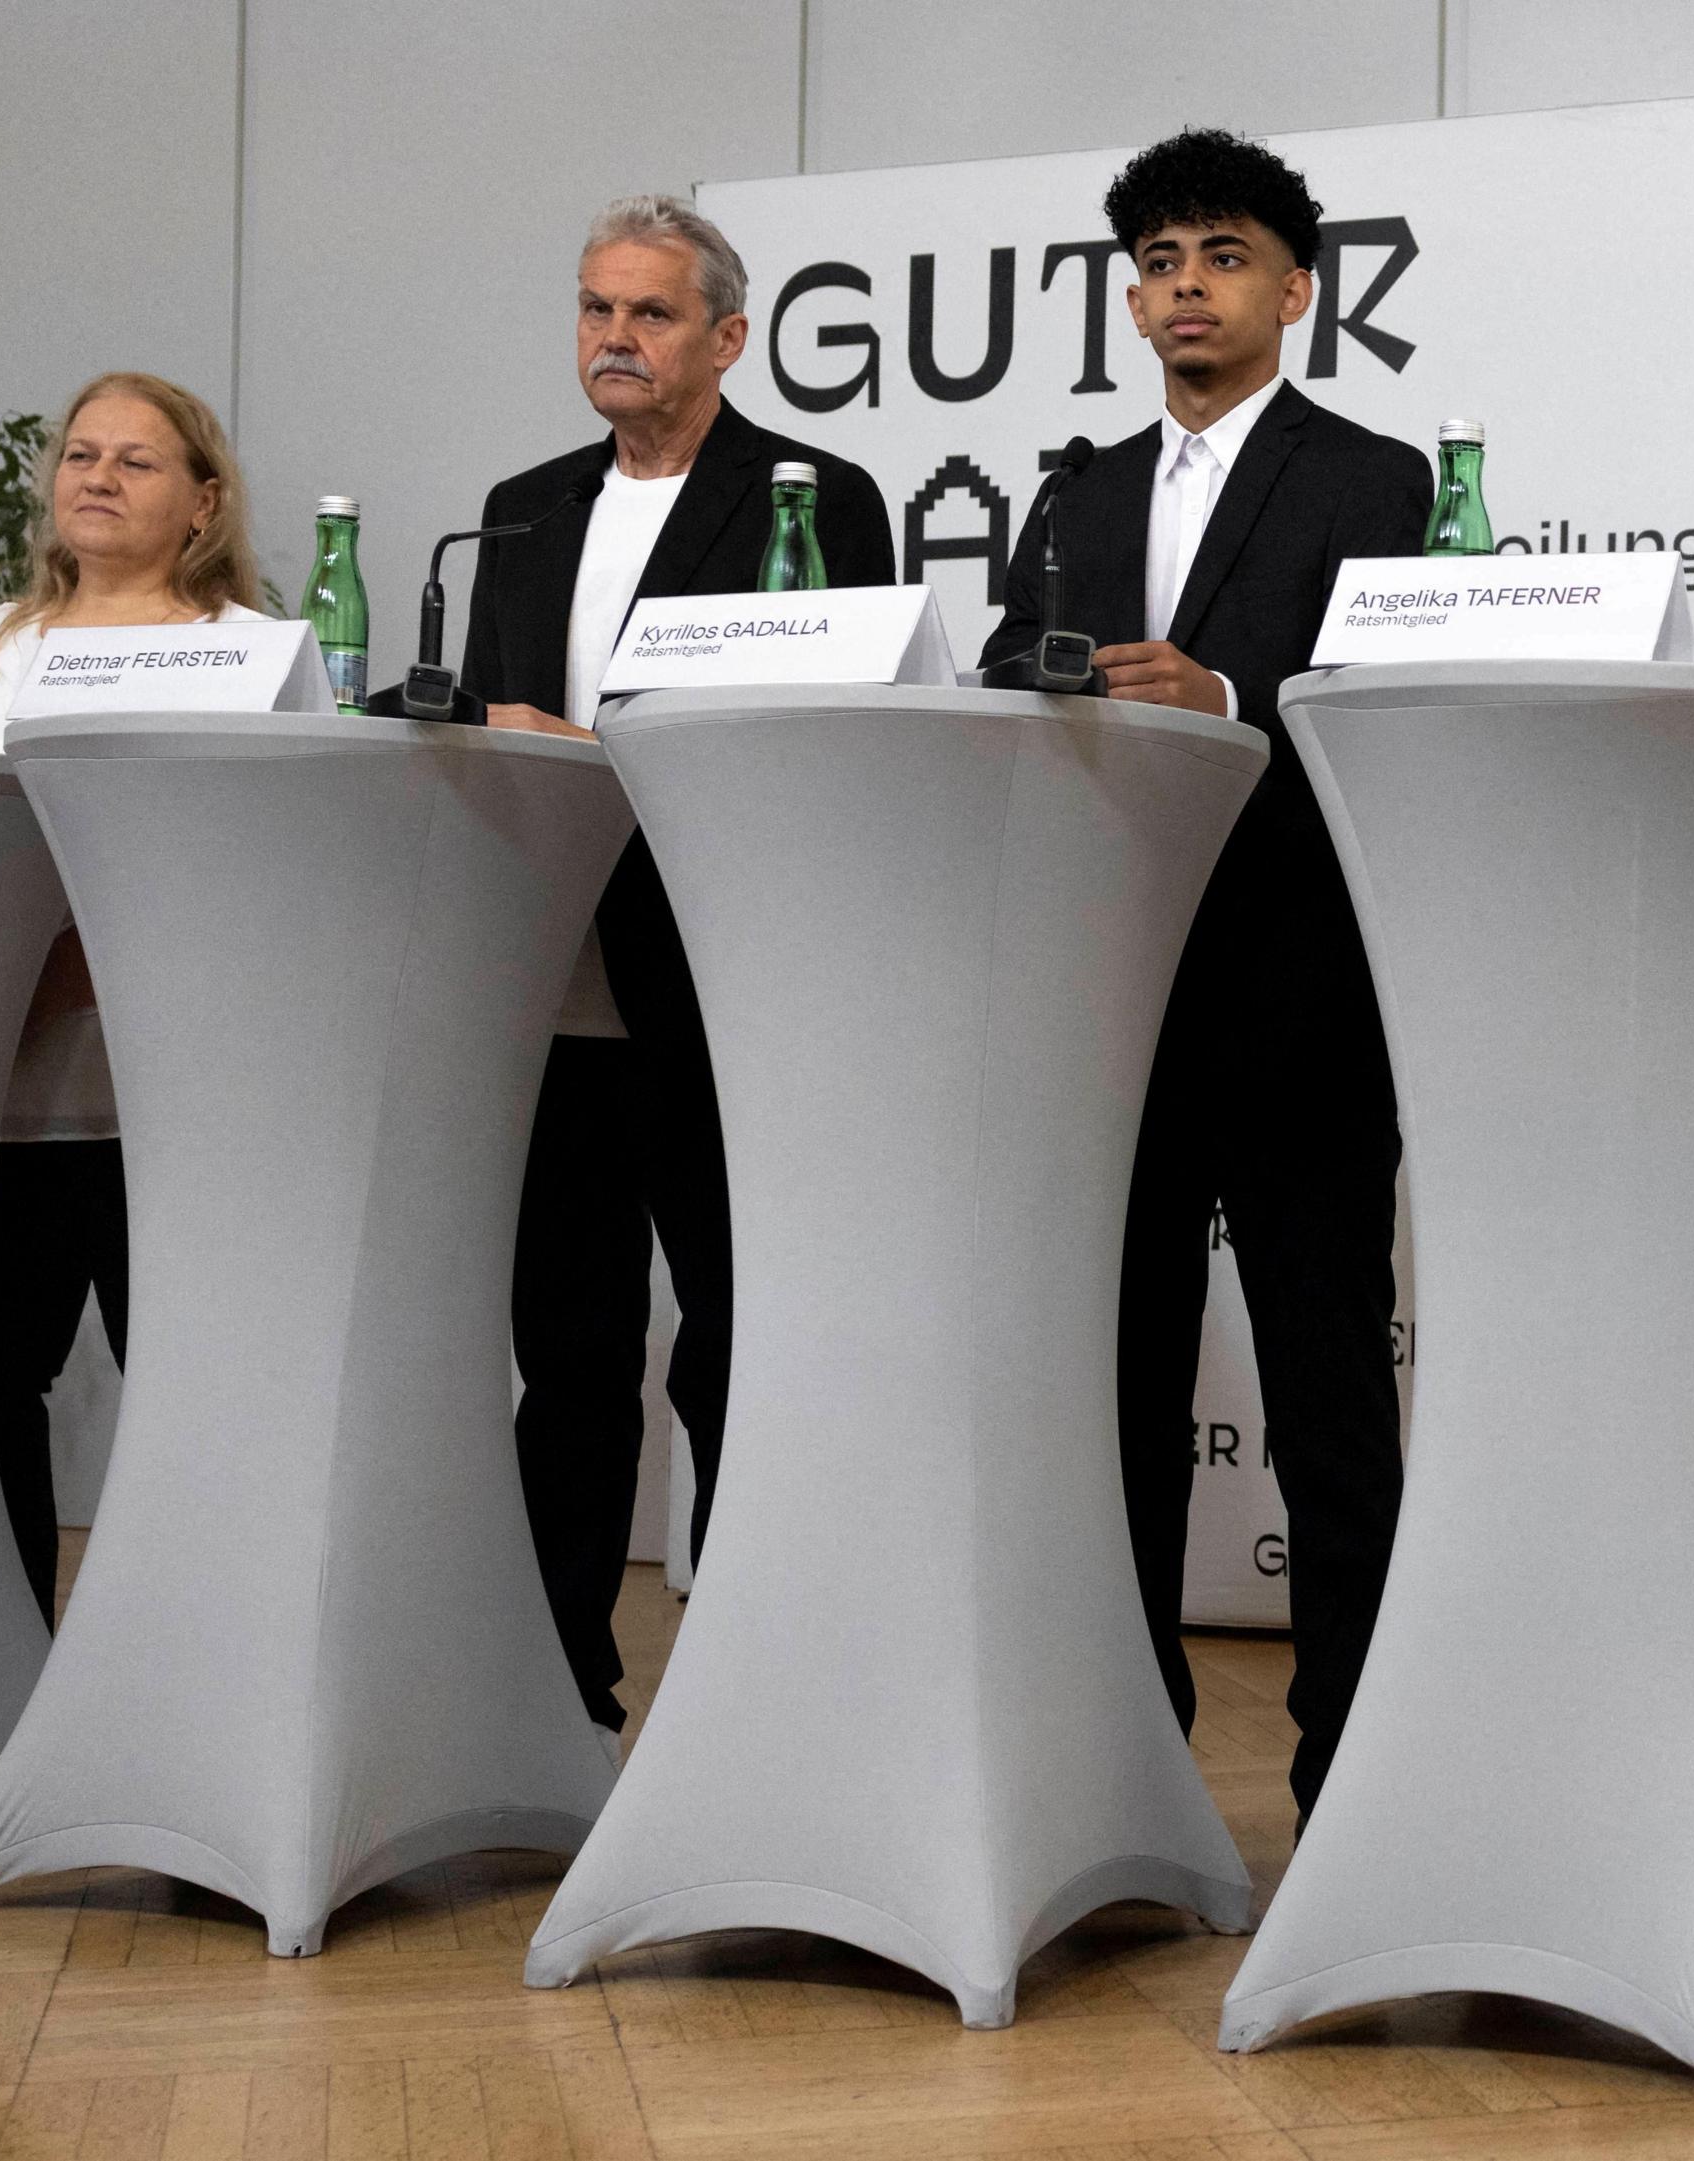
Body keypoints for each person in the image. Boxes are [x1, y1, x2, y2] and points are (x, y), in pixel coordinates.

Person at [980, 128, 1430, 1826]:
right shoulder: (1074, 495)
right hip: (1111, 1003)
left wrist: (1229, 699)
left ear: (1295, 290)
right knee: (1115, 1393)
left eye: (1223, 255)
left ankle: (1356, 1770)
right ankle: (1121, 1760)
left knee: (1327, 1396)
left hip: (1306, 994)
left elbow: (1405, 723)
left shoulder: (1375, 482)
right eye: (1159, 259)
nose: (1186, 286)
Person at [459, 195, 893, 1735]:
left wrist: (599, 752)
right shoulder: (518, 508)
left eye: (647, 315)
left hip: (717, 985)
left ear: (727, 335)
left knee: (735, 1341)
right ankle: (552, 1679)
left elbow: (818, 739)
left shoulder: (818, 495)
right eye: (593, 310)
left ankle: (755, 1680)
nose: (614, 340)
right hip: (548, 987)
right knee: (564, 1351)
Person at [0, 369, 268, 1622]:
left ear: (203, 503)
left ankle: (184, 1684)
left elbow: (270, 881)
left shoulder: (249, 658)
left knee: (201, 1410)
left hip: (173, 1114)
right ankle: (5, 1681)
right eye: (81, 454)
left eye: (137, 461)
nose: (97, 478)